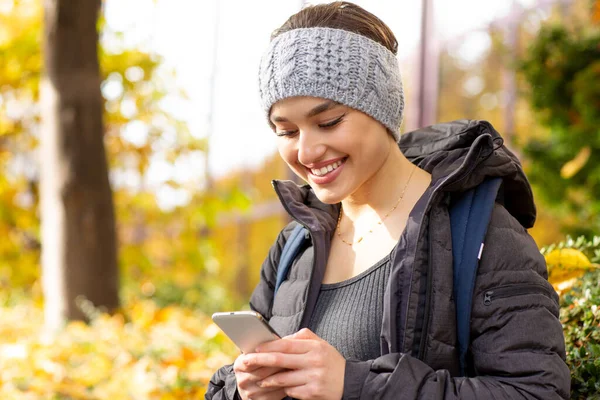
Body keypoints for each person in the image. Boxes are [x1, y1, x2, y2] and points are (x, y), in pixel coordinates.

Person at [206, 2, 571, 399]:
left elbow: (537, 391)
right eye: (287, 131)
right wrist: (243, 391)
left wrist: (356, 386)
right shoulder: (296, 245)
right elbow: (232, 380)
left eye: (328, 122)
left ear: (381, 108)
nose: (307, 151)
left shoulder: (481, 233)